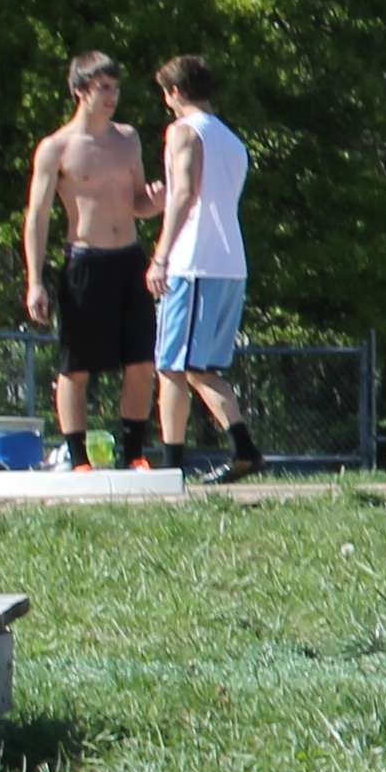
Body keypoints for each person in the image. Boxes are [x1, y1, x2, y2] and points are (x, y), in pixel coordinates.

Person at [18, 53, 159, 469]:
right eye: (103, 88)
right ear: (80, 90)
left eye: (116, 88)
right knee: (75, 367)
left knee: (141, 362)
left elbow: (137, 202)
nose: (113, 96)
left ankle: (133, 454)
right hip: (84, 262)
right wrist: (35, 280)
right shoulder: (56, 148)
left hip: (130, 260)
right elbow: (37, 216)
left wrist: (159, 200)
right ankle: (79, 458)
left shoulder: (127, 139)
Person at [143, 56, 263, 482]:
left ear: (175, 92)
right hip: (231, 263)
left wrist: (160, 256)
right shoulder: (231, 140)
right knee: (193, 367)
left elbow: (185, 194)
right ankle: (228, 451)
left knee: (176, 365)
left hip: (194, 262)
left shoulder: (183, 131)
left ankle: (180, 461)